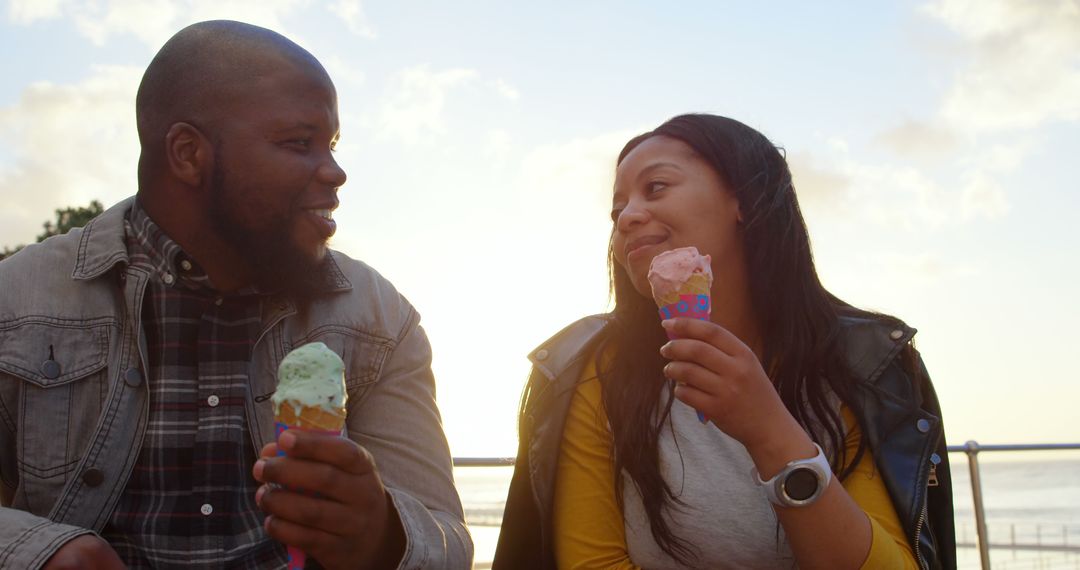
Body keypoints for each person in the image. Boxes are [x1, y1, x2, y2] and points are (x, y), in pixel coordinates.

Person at [0, 20, 472, 569]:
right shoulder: (16, 301)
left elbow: (449, 542)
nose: (336, 172)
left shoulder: (381, 320)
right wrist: (44, 553)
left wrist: (383, 534)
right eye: (300, 143)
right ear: (188, 154)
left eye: (333, 145)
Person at [494, 114, 955, 569]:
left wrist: (768, 430)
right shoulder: (595, 371)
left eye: (655, 187)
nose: (628, 217)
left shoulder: (858, 366)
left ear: (745, 200)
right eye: (617, 211)